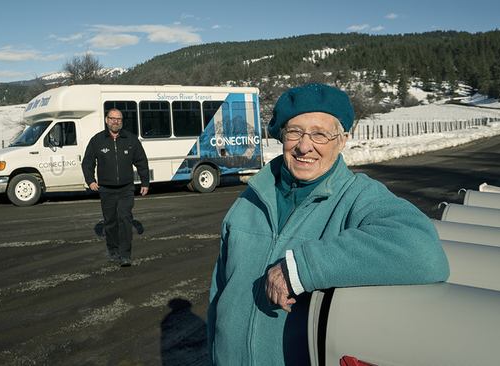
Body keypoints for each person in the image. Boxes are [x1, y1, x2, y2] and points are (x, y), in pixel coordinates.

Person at [206, 83, 450, 364]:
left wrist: (303, 267)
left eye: (320, 134)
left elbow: (424, 251)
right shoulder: (252, 196)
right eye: (295, 131)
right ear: (281, 136)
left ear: (342, 140)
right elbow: (219, 294)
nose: (304, 146)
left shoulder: (358, 195)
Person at [82, 108, 150, 267]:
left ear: (121, 121)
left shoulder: (131, 139)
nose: (116, 121)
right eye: (113, 118)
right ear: (106, 120)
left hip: (126, 188)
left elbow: (142, 161)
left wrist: (145, 182)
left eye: (119, 119)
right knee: (110, 221)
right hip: (106, 189)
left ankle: (125, 255)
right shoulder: (97, 140)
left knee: (125, 218)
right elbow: (87, 162)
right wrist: (90, 180)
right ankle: (113, 249)